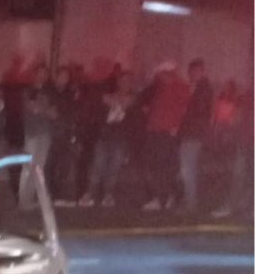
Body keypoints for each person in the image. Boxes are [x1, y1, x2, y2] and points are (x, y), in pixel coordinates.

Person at [139, 62, 190, 210]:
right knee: (157, 165)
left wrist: (175, 126)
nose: (159, 77)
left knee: (162, 166)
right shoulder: (161, 88)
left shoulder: (178, 88)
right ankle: (164, 197)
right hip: (156, 131)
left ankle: (163, 197)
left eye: (161, 74)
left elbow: (183, 109)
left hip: (165, 132)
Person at [81, 71, 135, 207]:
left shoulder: (133, 97)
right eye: (123, 81)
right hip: (104, 136)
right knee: (97, 166)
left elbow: (126, 103)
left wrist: (113, 101)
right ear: (118, 82)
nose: (125, 84)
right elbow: (101, 98)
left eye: (128, 81)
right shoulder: (109, 95)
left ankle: (108, 195)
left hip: (121, 139)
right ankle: (89, 194)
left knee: (114, 169)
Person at [177, 58, 214, 212]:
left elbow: (199, 111)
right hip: (192, 133)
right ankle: (189, 200)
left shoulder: (202, 88)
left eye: (194, 71)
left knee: (187, 168)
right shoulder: (201, 88)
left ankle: (190, 203)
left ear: (201, 71)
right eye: (190, 72)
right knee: (188, 167)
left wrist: (187, 107)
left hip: (194, 133)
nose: (191, 75)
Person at [210, 82, 249, 218]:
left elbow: (235, 119)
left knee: (240, 175)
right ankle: (234, 204)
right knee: (238, 175)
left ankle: (236, 204)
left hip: (242, 141)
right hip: (243, 142)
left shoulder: (242, 99)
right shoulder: (246, 97)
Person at [21, 63, 57, 208]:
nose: (42, 76)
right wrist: (45, 109)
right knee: (27, 166)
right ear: (34, 74)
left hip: (45, 134)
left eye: (44, 73)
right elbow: (32, 108)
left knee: (39, 167)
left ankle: (31, 198)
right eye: (39, 73)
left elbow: (54, 114)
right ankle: (23, 199)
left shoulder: (50, 92)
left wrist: (41, 108)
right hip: (32, 133)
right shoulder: (27, 90)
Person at [46, 66, 81, 205]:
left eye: (66, 77)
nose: (64, 79)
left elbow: (74, 112)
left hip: (66, 134)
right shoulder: (49, 91)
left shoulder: (71, 93)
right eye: (61, 76)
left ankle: (58, 194)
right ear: (56, 77)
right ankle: (47, 192)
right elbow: (49, 112)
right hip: (52, 134)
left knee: (64, 166)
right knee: (50, 165)